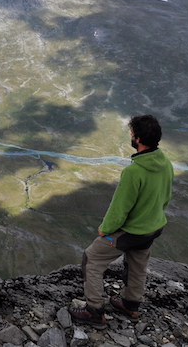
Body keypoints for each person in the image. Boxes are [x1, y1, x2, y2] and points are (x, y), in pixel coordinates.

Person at [69, 114, 174, 328]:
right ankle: (130, 304)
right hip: (153, 228)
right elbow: (166, 197)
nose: (131, 136)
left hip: (131, 232)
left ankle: (94, 311)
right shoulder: (166, 163)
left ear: (136, 138)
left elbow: (119, 210)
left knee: (92, 258)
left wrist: (105, 229)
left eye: (131, 133)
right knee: (137, 263)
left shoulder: (133, 172)